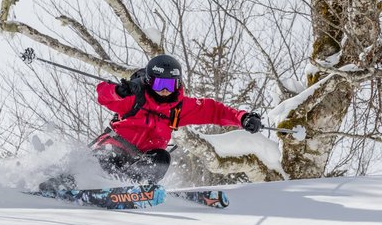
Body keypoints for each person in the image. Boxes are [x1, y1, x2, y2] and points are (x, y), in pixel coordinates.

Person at [40, 54, 262, 192]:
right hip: (115, 146)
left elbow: (214, 110)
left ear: (178, 84)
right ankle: (65, 181)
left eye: (170, 84)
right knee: (107, 157)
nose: (165, 90)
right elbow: (103, 95)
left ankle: (133, 188)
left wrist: (242, 118)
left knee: (162, 158)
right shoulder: (135, 96)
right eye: (159, 84)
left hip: (140, 159)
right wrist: (118, 91)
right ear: (149, 81)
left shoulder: (179, 107)